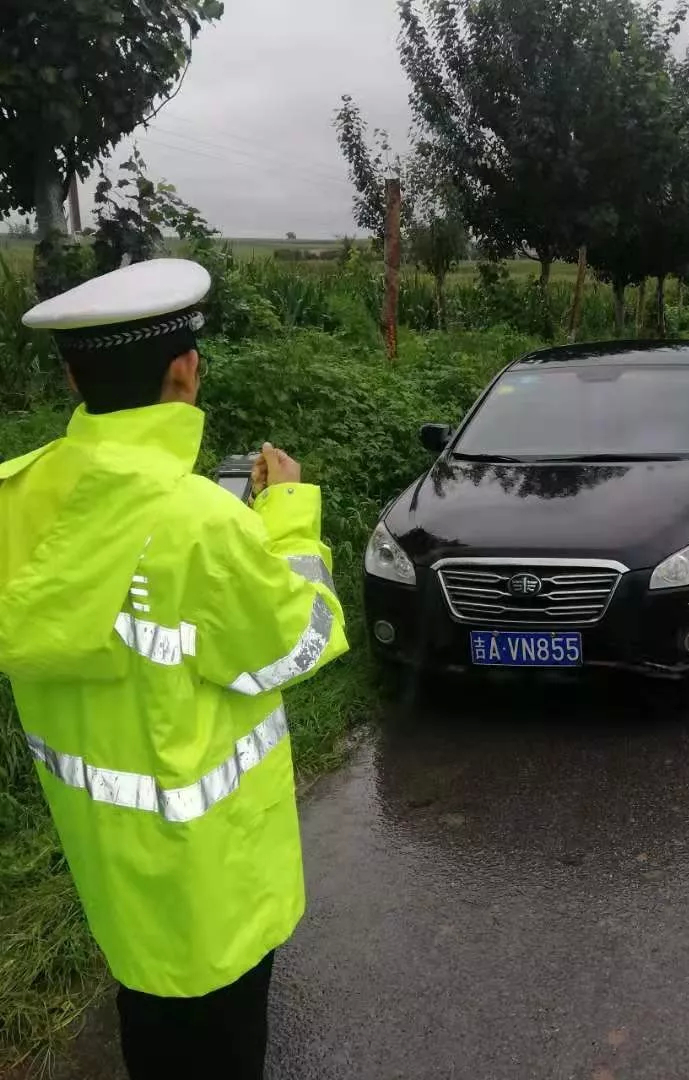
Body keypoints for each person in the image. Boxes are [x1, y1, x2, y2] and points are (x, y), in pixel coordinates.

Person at [0, 259, 349, 1078]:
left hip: (110, 872)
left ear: (71, 370)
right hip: (209, 884)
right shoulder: (198, 522)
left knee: (150, 1029)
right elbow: (302, 638)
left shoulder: (15, 496)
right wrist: (289, 514)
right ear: (184, 369)